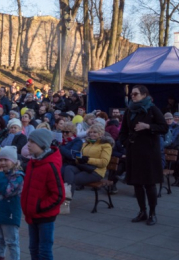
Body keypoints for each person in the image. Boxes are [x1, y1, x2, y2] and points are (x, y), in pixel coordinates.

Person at [15, 129, 63, 260]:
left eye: (32, 142)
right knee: (34, 248)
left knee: (44, 250)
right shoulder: (34, 163)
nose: (28, 145)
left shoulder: (49, 166)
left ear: (42, 145)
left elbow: (58, 195)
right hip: (32, 215)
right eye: (28, 141)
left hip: (44, 216)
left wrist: (37, 207)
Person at [118, 85, 168, 226]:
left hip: (149, 152)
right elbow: (123, 131)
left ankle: (152, 213)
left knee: (149, 184)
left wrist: (148, 127)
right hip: (134, 151)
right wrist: (126, 142)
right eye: (132, 94)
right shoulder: (129, 110)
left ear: (144, 95)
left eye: (135, 94)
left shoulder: (152, 109)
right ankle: (142, 211)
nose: (132, 96)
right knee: (137, 184)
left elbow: (164, 127)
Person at [63, 125, 111, 199]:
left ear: (101, 133)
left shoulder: (106, 145)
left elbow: (104, 162)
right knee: (68, 168)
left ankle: (66, 202)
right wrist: (78, 158)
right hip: (83, 167)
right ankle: (64, 199)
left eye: (95, 132)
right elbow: (79, 156)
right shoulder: (86, 143)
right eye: (90, 132)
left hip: (95, 171)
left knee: (71, 180)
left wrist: (88, 160)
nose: (92, 134)